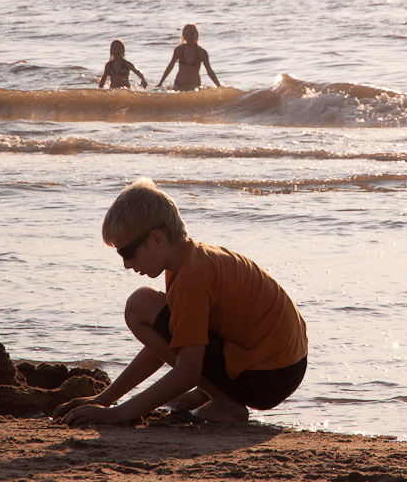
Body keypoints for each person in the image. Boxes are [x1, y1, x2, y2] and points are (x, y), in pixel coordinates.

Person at [53, 178, 308, 425]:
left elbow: (187, 372)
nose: (126, 264)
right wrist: (106, 398)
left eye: (127, 252)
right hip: (285, 367)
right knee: (154, 311)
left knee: (139, 304)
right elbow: (171, 340)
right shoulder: (192, 259)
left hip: (267, 377)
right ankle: (211, 393)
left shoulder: (191, 280)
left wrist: (118, 414)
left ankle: (226, 404)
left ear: (157, 239)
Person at [157, 23, 222, 91]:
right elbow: (170, 66)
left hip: (194, 86)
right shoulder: (179, 50)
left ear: (196, 35)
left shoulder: (202, 52)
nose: (189, 36)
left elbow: (209, 71)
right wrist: (160, 83)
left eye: (192, 34)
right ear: (183, 36)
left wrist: (218, 86)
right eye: (186, 34)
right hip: (179, 85)